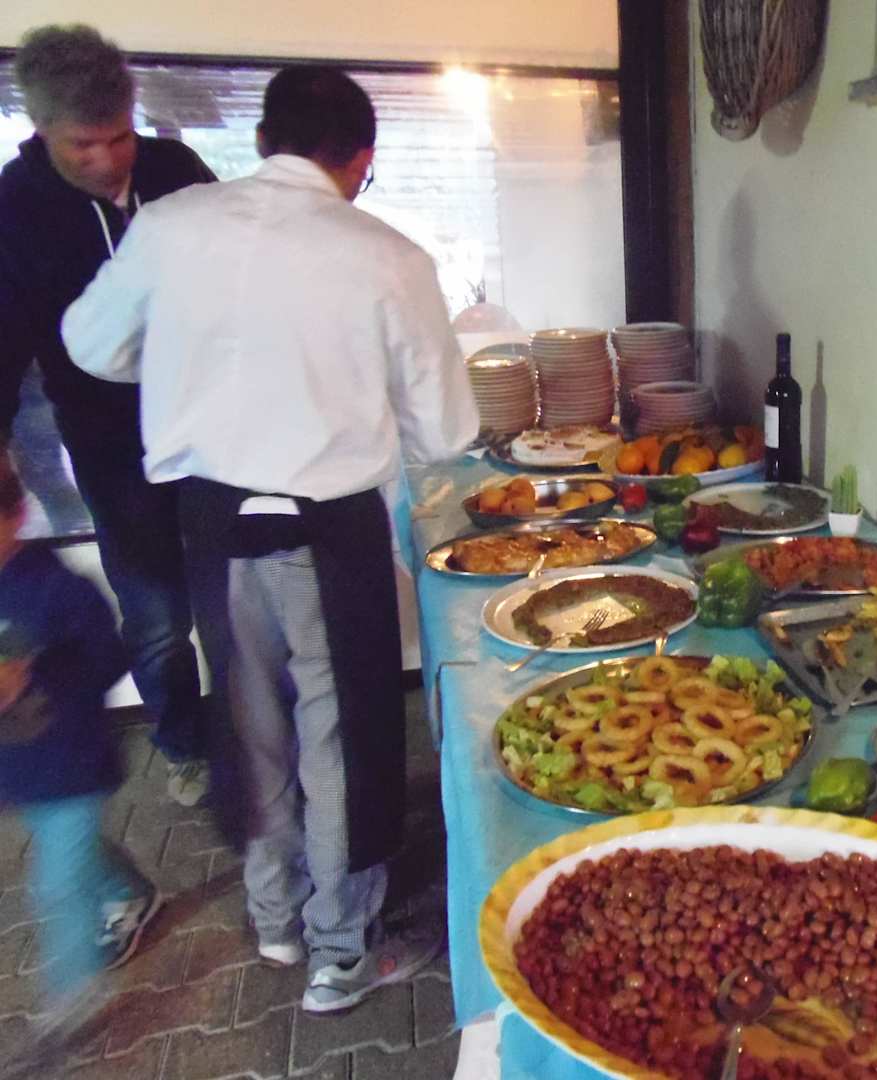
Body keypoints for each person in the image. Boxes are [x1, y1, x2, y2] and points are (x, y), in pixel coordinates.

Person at [62, 65, 480, 1014]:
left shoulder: (171, 227)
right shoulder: (387, 255)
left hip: (211, 521)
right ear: (361, 159)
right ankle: (343, 950)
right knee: (339, 736)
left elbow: (90, 343)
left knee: (249, 724)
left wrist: (184, 364)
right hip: (329, 528)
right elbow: (447, 429)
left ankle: (277, 923)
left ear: (261, 141)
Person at [0, 25, 219, 807]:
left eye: (119, 137)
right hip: (109, 443)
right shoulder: (15, 206)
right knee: (156, 615)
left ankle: (252, 735)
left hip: (213, 427)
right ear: (41, 128)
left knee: (237, 596)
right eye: (82, 144)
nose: (106, 159)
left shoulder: (178, 172)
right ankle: (183, 743)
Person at [0, 455, 160, 1049]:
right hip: (19, 768)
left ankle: (70, 1001)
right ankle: (130, 891)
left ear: (16, 516)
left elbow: (111, 659)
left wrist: (40, 674)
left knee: (56, 884)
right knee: (73, 848)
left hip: (70, 762)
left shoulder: (57, 589)